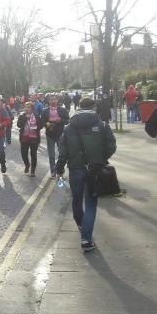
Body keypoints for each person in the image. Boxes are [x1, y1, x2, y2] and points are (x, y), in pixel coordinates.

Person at [55, 97, 117, 251]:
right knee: (91, 203)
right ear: (93, 107)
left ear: (79, 108)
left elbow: (62, 150)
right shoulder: (102, 125)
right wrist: (100, 158)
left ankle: (82, 227)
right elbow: (111, 145)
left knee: (76, 200)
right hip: (94, 169)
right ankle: (86, 239)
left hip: (75, 169)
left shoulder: (68, 128)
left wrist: (59, 169)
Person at [40, 93, 70, 179]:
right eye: (51, 100)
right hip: (50, 134)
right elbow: (42, 122)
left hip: (60, 134)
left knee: (62, 153)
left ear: (57, 100)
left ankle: (60, 171)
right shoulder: (45, 111)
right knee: (51, 154)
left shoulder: (63, 110)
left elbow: (67, 121)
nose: (53, 101)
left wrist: (60, 120)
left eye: (54, 99)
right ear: (49, 101)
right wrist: (48, 124)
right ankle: (53, 171)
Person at [16, 102, 43, 176]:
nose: (26, 109)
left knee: (33, 154)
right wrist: (25, 118)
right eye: (25, 107)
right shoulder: (22, 116)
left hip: (34, 138)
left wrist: (35, 128)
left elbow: (41, 125)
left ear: (32, 108)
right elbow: (19, 125)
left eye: (28, 107)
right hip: (24, 138)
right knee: (24, 154)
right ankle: (27, 164)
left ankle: (33, 170)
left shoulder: (36, 116)